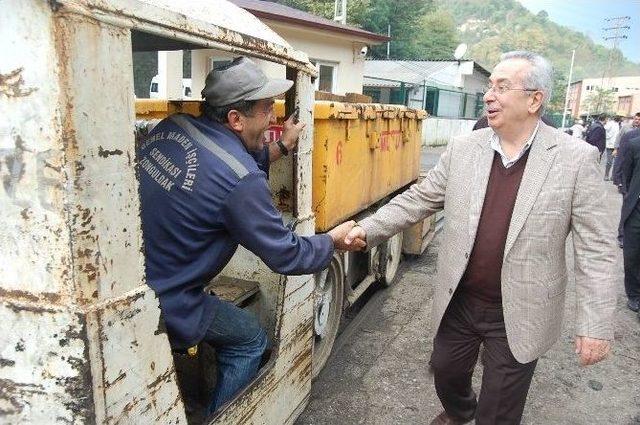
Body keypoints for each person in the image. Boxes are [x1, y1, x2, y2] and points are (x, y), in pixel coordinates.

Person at [343, 51, 616, 425]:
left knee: (500, 412)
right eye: (490, 86)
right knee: (446, 372)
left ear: (535, 99)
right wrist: (367, 228)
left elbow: (597, 250)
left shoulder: (576, 159)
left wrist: (595, 325)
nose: (489, 95)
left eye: (502, 87)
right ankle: (460, 412)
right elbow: (420, 199)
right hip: (462, 301)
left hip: (520, 310)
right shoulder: (464, 148)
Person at [137, 57, 355, 414]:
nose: (273, 117)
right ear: (236, 119)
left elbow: (222, 165)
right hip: (170, 298)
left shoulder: (172, 127)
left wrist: (282, 146)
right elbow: (287, 254)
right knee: (250, 340)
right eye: (267, 109)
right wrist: (332, 241)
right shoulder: (241, 181)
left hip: (138, 277)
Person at [612, 112, 640, 248]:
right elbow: (621, 158)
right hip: (630, 183)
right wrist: (618, 178)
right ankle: (622, 234)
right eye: (636, 118)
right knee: (627, 208)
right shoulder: (630, 136)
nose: (637, 120)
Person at [621, 133, 640, 315]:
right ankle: (634, 293)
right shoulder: (635, 145)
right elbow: (626, 175)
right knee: (632, 255)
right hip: (636, 210)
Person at [604, 115, 620, 180]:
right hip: (610, 145)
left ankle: (613, 176)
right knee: (609, 161)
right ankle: (606, 175)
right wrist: (608, 137)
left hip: (617, 145)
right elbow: (605, 129)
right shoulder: (610, 123)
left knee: (616, 162)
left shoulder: (618, 124)